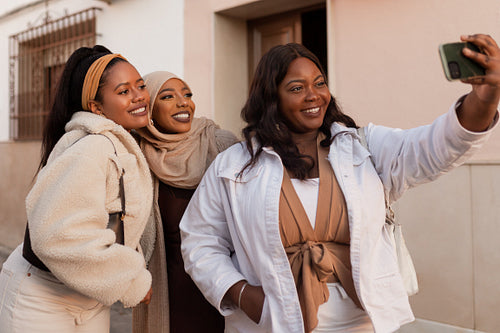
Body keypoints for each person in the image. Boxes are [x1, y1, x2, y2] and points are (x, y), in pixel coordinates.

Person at [179, 33, 500, 333]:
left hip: (360, 323)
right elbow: (200, 240)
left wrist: (484, 99)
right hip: (274, 324)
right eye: (296, 88)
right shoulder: (235, 165)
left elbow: (434, 146)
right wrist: (242, 294)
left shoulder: (363, 147)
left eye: (319, 83)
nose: (313, 95)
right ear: (270, 97)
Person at [0, 45, 154, 332]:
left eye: (140, 85)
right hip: (42, 298)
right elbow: (57, 236)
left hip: (89, 298)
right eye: (123, 91)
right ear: (97, 108)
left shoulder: (120, 144)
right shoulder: (93, 147)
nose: (138, 96)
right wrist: (131, 280)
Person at [132, 71, 238, 333]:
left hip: (223, 282)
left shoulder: (221, 145)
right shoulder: (138, 154)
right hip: (168, 288)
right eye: (168, 97)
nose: (183, 103)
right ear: (150, 110)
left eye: (187, 94)